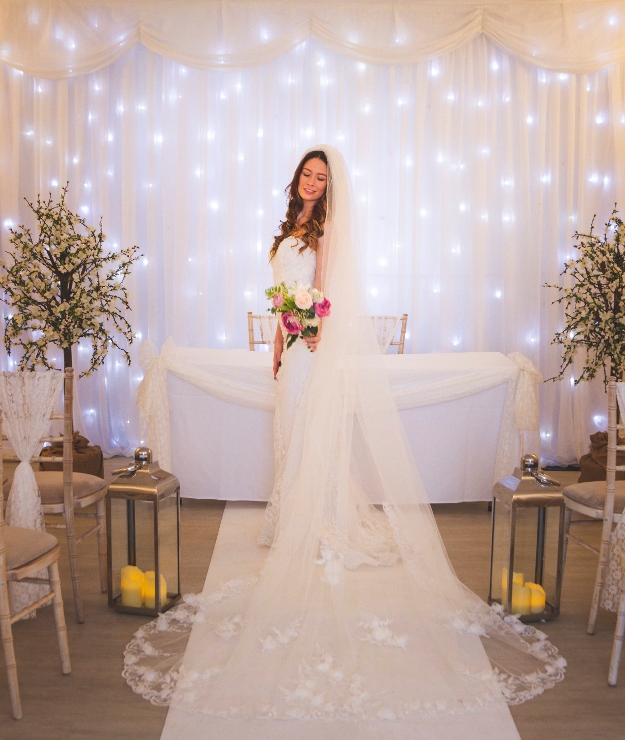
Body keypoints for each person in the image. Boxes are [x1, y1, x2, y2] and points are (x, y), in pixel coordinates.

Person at [124, 146, 565, 738]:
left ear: (330, 187)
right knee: (290, 432)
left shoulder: (326, 230)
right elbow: (281, 295)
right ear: (297, 180)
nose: (311, 183)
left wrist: (304, 337)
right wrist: (279, 343)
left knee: (310, 430)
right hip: (290, 346)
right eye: (307, 174)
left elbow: (323, 298)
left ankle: (322, 518)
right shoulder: (289, 227)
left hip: (314, 350)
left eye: (321, 178)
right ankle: (293, 515)